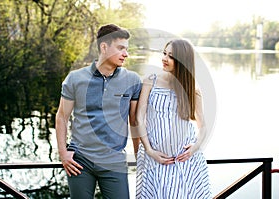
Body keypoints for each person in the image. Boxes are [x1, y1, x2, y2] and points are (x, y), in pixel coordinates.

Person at [55, 24, 142, 199]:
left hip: (114, 161)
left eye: (126, 49)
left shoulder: (132, 80)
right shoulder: (75, 78)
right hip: (80, 161)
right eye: (120, 48)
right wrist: (63, 153)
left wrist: (140, 158)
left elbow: (134, 121)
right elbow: (62, 117)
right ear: (104, 47)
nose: (126, 54)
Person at [136, 39, 212, 199]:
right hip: (156, 158)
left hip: (185, 160)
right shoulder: (151, 80)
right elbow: (139, 118)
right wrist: (149, 150)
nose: (164, 59)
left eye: (170, 56)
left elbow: (202, 126)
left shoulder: (192, 88)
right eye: (164, 53)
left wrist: (195, 147)